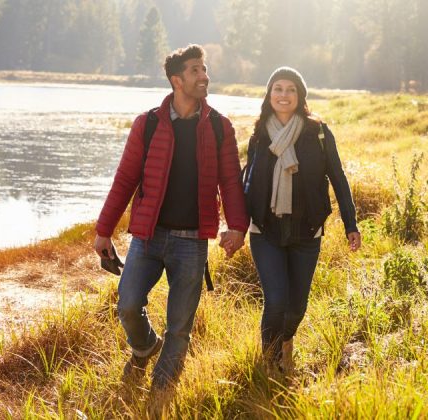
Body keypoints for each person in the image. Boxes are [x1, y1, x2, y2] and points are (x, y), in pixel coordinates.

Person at [94, 44, 248, 391]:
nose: (204, 76)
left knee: (179, 325)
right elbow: (125, 179)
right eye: (195, 70)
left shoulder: (220, 127)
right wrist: (104, 231)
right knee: (129, 303)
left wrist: (237, 226)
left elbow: (231, 181)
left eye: (204, 68)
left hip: (193, 242)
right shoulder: (147, 124)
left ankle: (161, 391)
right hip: (148, 237)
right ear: (176, 80)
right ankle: (146, 346)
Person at [243, 67, 361, 372]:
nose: (284, 95)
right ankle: (270, 365)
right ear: (269, 95)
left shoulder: (317, 133)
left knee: (296, 308)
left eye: (290, 89)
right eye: (278, 89)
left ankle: (286, 342)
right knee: (276, 301)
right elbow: (247, 181)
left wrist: (351, 223)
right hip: (265, 231)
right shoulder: (259, 133)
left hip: (307, 231)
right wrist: (235, 224)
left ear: (300, 95)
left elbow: (338, 177)